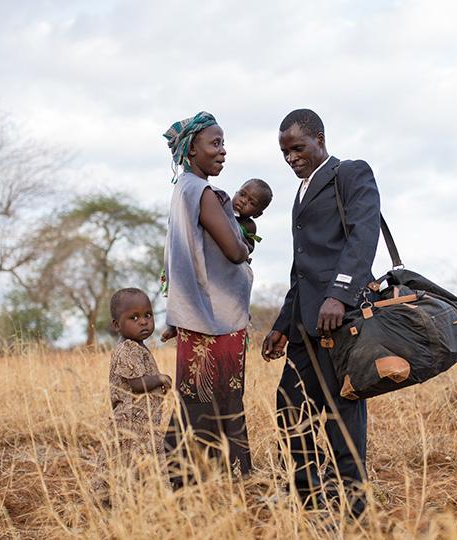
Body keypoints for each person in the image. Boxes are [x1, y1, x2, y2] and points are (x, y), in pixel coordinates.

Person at [261, 109, 381, 516]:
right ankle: (311, 499)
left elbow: (364, 236)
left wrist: (341, 294)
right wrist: (281, 324)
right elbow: (302, 267)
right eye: (284, 152)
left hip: (339, 320)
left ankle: (355, 507)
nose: (291, 157)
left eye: (297, 147)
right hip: (303, 326)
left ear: (319, 138)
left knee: (342, 413)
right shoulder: (300, 192)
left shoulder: (351, 174)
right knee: (289, 408)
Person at [161, 111, 254, 482]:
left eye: (223, 144)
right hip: (216, 319)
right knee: (221, 401)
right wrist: (245, 244)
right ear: (191, 149)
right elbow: (234, 251)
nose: (223, 151)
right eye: (214, 144)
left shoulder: (182, 189)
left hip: (197, 316)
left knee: (196, 399)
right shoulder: (202, 192)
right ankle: (227, 479)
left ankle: (185, 479)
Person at [93, 288, 172, 502]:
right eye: (134, 318)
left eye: (148, 315)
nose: (143, 322)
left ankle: (136, 500)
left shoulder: (138, 347)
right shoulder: (127, 349)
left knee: (132, 463)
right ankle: (119, 501)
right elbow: (137, 383)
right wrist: (160, 379)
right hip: (131, 424)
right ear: (117, 325)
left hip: (144, 423)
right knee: (128, 461)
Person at [231, 178, 273, 255]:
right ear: (236, 193)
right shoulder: (221, 206)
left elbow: (251, 247)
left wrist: (244, 245)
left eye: (252, 203)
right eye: (242, 194)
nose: (243, 201)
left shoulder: (249, 226)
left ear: (257, 214)